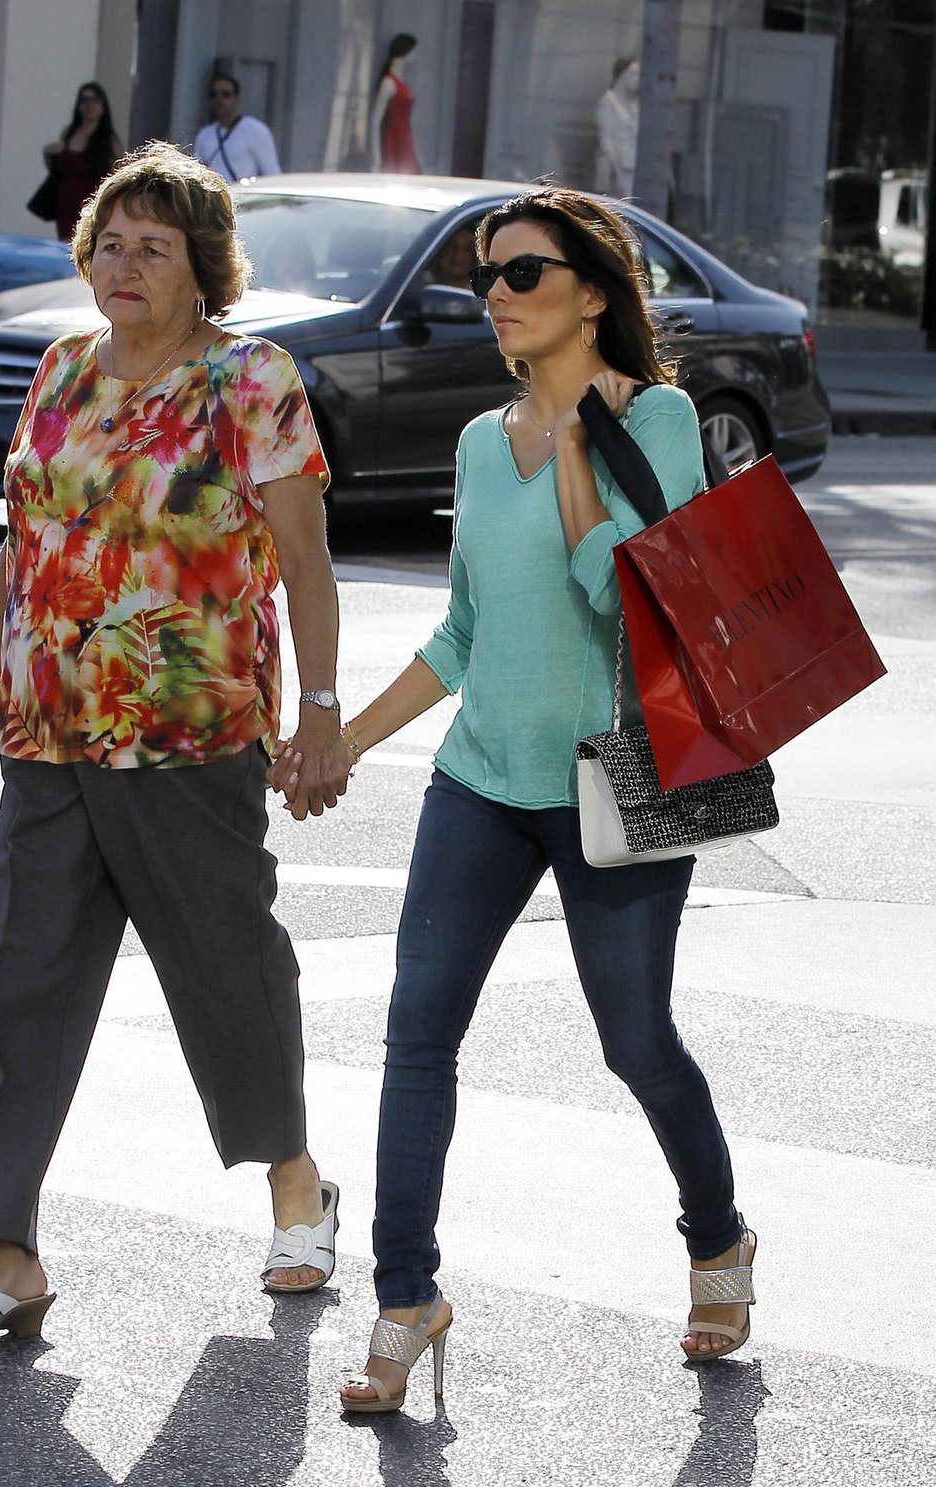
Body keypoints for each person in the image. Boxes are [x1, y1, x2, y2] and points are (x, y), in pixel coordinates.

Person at [272, 186, 757, 1413]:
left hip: (621, 785)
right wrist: (333, 741)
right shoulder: (481, 442)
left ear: (592, 291)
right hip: (482, 779)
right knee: (416, 1030)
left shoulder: (662, 420)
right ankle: (404, 1298)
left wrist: (585, 448)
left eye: (523, 273)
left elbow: (620, 599)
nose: (495, 293)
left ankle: (717, 1236)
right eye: (487, 274)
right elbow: (462, 634)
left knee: (635, 1040)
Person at [0, 140, 349, 1350]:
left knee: (225, 970)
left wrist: (319, 710)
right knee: (15, 987)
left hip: (192, 731)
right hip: (46, 732)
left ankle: (296, 1185)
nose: (124, 262)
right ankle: (8, 1253)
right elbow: (25, 551)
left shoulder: (250, 380)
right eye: (109, 241)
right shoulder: (60, 370)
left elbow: (304, 559)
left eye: (154, 246)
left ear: (204, 269)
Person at [41, 81, 125, 241]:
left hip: (90, 204)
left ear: (102, 106)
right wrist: (48, 153)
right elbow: (57, 169)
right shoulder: (69, 133)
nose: (89, 105)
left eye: (94, 100)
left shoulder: (107, 139)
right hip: (66, 203)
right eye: (85, 100)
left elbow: (121, 168)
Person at [194, 73, 281, 184]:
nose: (219, 99)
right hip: (215, 198)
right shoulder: (205, 135)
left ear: (236, 97)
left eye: (226, 94)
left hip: (243, 198)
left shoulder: (255, 130)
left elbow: (272, 174)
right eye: (214, 95)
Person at [371, 33, 420, 175]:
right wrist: (376, 158)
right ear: (405, 51)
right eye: (414, 51)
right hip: (395, 139)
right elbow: (375, 121)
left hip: (406, 139)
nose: (415, 55)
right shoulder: (389, 83)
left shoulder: (401, 83)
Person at [594, 57, 639, 199]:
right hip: (618, 171)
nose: (637, 79)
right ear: (622, 75)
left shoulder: (636, 105)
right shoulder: (608, 102)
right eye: (632, 74)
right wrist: (617, 172)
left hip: (634, 169)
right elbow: (606, 141)